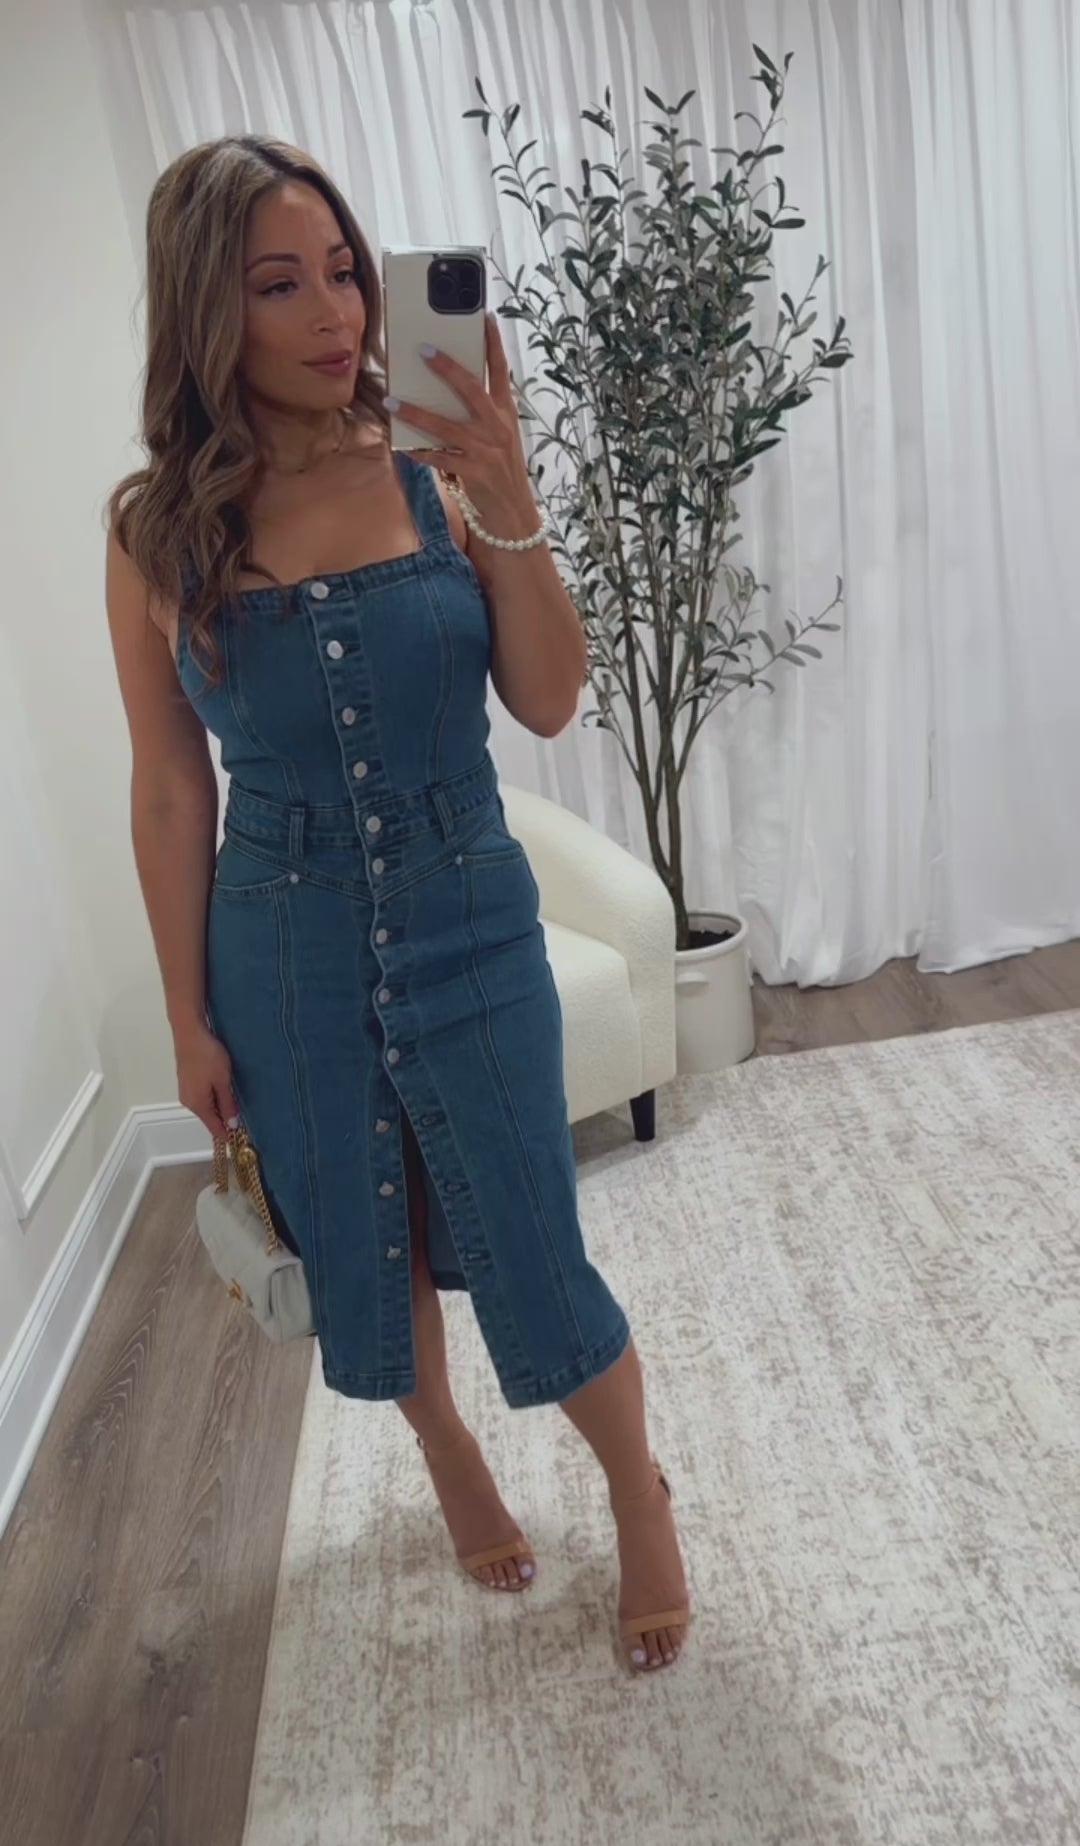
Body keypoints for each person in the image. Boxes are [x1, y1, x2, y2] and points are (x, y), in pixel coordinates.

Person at [105, 135, 689, 1674]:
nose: (335, 314)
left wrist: (510, 498)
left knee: (531, 1239)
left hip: (467, 914)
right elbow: (168, 788)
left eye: (345, 273)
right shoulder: (155, 529)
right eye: (278, 285)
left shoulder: (436, 464)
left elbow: (549, 701)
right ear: (204, 313)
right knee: (369, 1237)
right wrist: (186, 1014)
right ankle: (449, 1457)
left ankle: (637, 1490)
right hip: (277, 942)